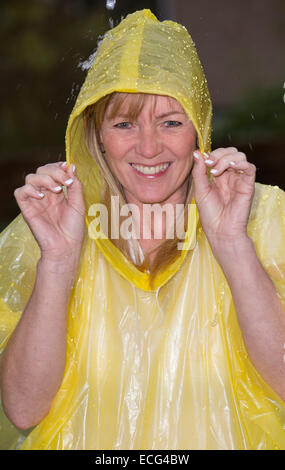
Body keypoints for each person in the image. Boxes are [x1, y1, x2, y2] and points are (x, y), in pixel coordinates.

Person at [0, 9, 285, 450]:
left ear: (200, 129)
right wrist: (57, 263)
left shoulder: (267, 220)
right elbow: (22, 409)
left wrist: (232, 243)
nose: (149, 148)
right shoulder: (44, 229)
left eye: (171, 122)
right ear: (96, 133)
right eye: (124, 123)